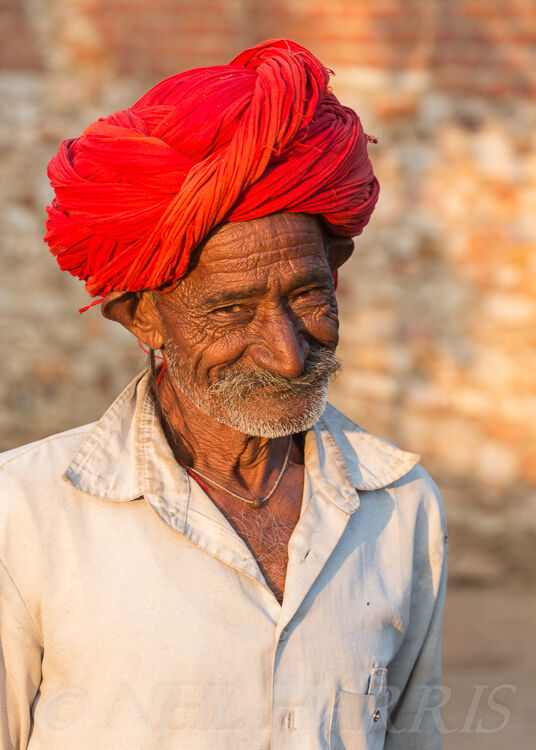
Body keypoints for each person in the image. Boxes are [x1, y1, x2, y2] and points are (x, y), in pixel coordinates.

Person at [0, 40, 447, 749]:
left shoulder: (401, 507)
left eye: (308, 297)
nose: (286, 351)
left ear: (338, 273)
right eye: (232, 310)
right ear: (142, 317)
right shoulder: (24, 516)